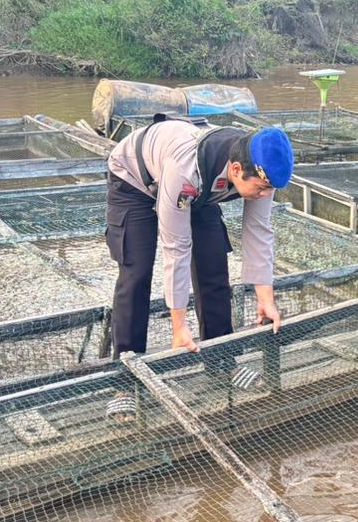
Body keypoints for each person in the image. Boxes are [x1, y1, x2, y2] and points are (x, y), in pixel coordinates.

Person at [103, 117, 294, 418]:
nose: (264, 195)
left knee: (213, 265)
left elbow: (259, 233)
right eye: (260, 188)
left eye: (269, 189)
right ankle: (126, 381)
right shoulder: (186, 171)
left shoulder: (260, 166)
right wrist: (179, 327)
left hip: (199, 192)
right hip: (135, 180)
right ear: (235, 170)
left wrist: (265, 299)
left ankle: (222, 362)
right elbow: (176, 248)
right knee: (136, 271)